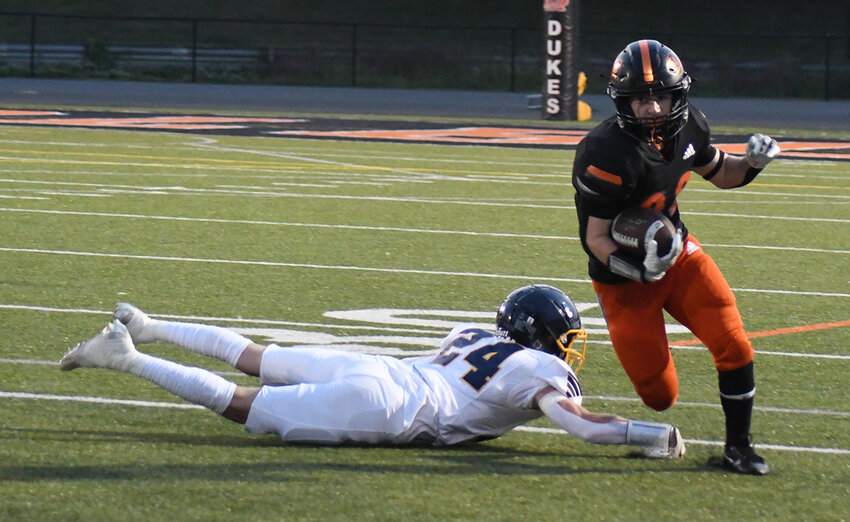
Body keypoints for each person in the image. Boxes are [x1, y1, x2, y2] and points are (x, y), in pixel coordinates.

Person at [60, 284, 685, 458]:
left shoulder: (469, 335)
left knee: (253, 356)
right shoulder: (540, 367)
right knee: (241, 403)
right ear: (548, 337)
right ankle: (129, 355)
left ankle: (148, 325)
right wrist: (647, 434)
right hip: (393, 408)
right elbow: (581, 428)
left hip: (376, 367)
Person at [571, 40, 780, 475]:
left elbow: (721, 172)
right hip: (624, 278)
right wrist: (638, 268)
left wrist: (753, 163)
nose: (652, 107)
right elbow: (595, 238)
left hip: (678, 253)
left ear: (678, 94)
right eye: (641, 99)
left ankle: (738, 448)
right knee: (659, 395)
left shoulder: (691, 127)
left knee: (734, 341)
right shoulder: (604, 151)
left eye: (660, 96)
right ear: (623, 101)